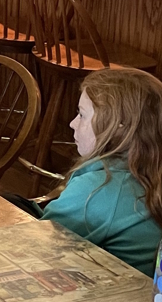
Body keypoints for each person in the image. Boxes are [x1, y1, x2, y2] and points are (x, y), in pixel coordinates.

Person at [23, 68, 162, 277]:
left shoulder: (100, 188)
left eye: (82, 114)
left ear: (118, 126)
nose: (72, 123)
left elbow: (34, 249)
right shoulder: (147, 173)